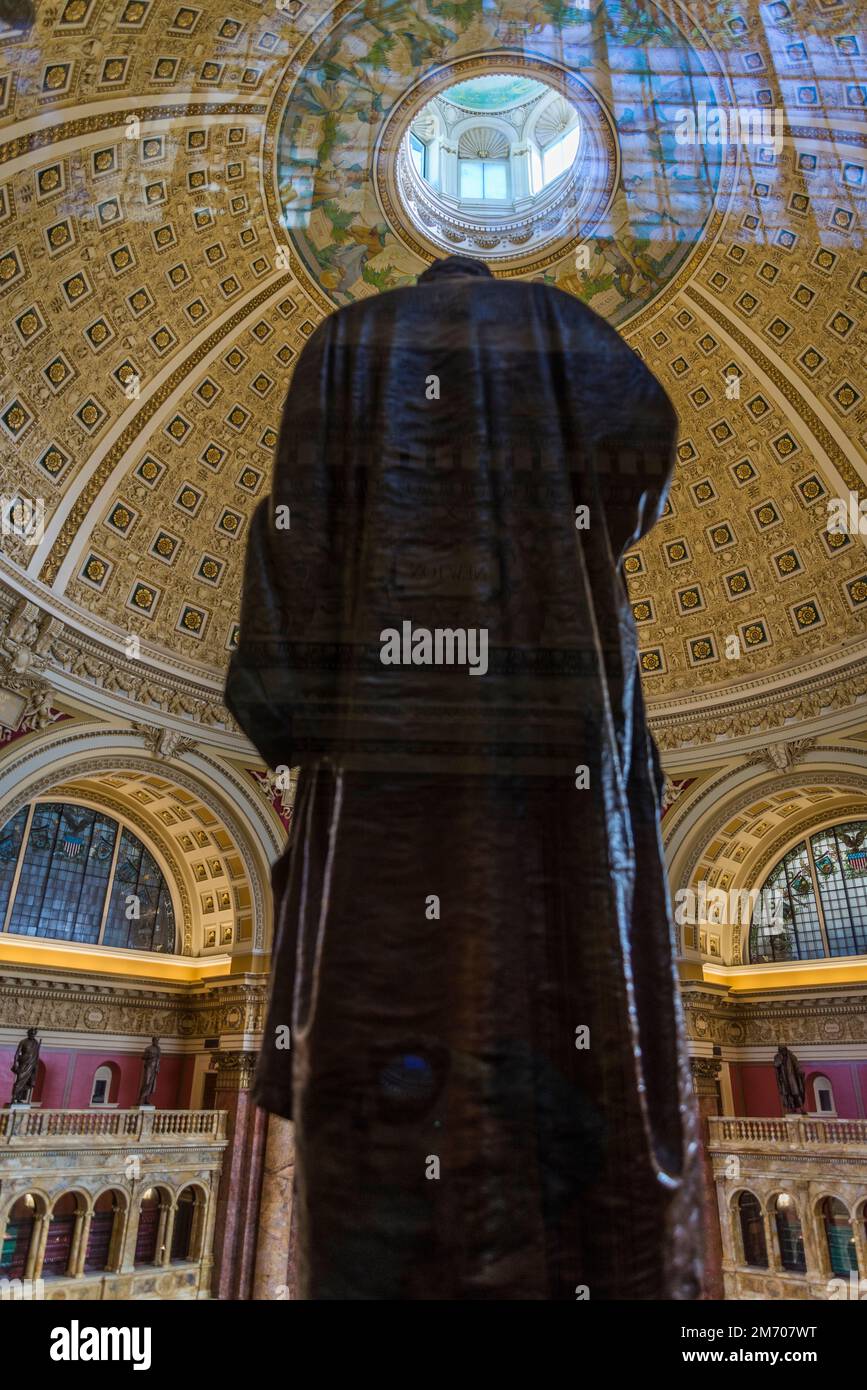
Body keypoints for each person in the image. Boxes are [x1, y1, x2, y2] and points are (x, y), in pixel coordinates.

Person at [226, 254, 702, 1300]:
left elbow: (294, 546)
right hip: (555, 719)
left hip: (380, 742)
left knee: (378, 989)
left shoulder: (342, 341)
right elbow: (645, 462)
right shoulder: (562, 326)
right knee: (575, 964)